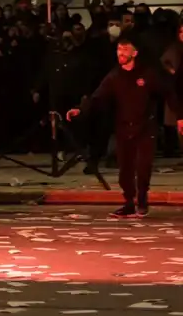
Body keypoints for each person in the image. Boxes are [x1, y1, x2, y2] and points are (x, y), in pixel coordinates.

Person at [67, 35, 183, 218]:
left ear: (134, 53)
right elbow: (97, 97)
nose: (121, 54)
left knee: (143, 167)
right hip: (124, 127)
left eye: (125, 50)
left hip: (146, 127)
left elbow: (168, 92)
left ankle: (142, 201)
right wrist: (80, 110)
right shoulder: (114, 76)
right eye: (119, 50)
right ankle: (129, 202)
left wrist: (179, 117)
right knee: (125, 170)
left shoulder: (147, 74)